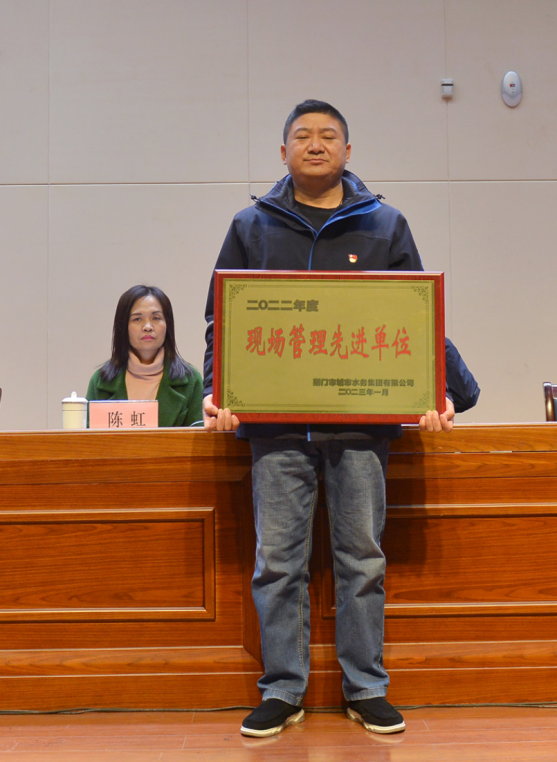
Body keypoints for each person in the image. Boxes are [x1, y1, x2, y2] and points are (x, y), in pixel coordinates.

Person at [201, 100, 480, 738]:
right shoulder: (251, 226)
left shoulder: (384, 224)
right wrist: (219, 390)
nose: (316, 144)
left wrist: (443, 390)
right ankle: (282, 689)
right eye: (302, 135)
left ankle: (367, 687)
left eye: (329, 135)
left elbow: (417, 316)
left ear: (348, 151)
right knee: (277, 561)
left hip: (361, 425)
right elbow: (223, 317)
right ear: (283, 153)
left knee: (362, 559)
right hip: (276, 428)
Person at [86, 285, 203, 427]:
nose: (148, 326)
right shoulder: (100, 381)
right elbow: (88, 437)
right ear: (123, 326)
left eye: (156, 318)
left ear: (168, 325)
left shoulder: (191, 381)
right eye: (137, 319)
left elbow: (199, 438)